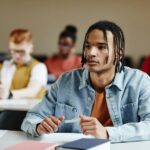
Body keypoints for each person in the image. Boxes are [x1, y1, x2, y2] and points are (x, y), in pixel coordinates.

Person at [21, 21, 150, 143]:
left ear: (119, 54)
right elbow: (31, 118)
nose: (91, 53)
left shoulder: (140, 82)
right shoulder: (65, 81)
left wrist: (107, 133)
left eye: (101, 47)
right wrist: (39, 126)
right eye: (88, 46)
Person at [0, 29, 47, 130]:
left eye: (21, 51)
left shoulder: (39, 67)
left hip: (29, 114)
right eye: (12, 51)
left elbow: (32, 91)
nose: (16, 55)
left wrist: (9, 94)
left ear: (31, 48)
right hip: (6, 110)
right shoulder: (5, 65)